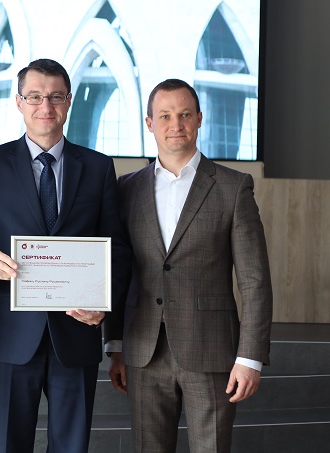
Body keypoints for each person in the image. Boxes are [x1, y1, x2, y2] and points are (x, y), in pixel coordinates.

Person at [0, 58, 131, 452]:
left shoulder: (98, 167)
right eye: (35, 96)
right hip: (10, 335)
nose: (46, 106)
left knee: (71, 446)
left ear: (69, 101)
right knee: (6, 445)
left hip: (76, 332)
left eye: (56, 97)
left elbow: (118, 248)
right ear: (19, 102)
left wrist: (103, 303)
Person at [104, 78, 273, 452]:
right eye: (164, 116)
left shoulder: (233, 187)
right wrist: (115, 345)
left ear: (199, 119)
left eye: (184, 115)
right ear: (149, 123)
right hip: (142, 352)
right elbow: (118, 272)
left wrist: (250, 358)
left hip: (211, 350)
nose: (175, 124)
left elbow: (255, 280)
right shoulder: (126, 189)